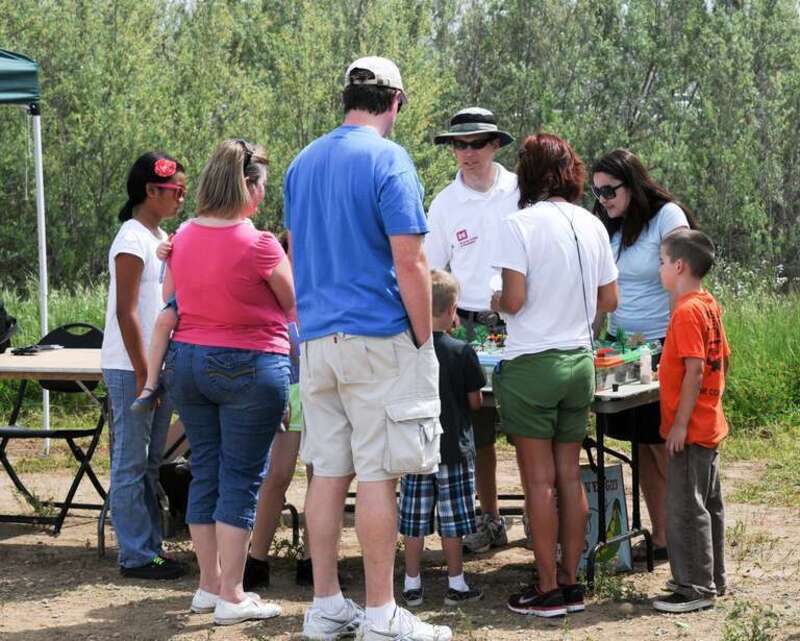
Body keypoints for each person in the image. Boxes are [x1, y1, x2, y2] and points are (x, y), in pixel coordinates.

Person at [285, 56, 452, 641]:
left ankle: (326, 604)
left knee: (327, 473)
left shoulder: (301, 162)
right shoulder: (389, 159)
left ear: (347, 97)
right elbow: (411, 259)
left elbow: (297, 251)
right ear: (396, 101)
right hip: (378, 336)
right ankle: (382, 613)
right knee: (380, 475)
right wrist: (423, 335)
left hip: (318, 340)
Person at [162, 139, 293, 625]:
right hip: (249, 363)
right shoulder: (259, 243)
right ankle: (233, 595)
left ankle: (208, 584)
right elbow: (293, 301)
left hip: (189, 361)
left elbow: (169, 298)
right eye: (261, 186)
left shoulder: (182, 237)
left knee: (207, 472)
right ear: (249, 186)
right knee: (241, 479)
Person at [490, 133, 619, 617]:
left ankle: (545, 589)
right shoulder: (592, 223)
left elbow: (516, 301)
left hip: (533, 364)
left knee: (538, 484)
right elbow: (609, 301)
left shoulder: (517, 224)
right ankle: (571, 581)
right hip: (579, 362)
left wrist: (496, 301)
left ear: (528, 173)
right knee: (569, 477)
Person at [591, 149, 697, 560]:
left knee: (665, 447)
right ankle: (661, 537)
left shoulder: (667, 217)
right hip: (620, 354)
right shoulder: (608, 225)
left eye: (610, 190)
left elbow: (681, 283)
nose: (603, 199)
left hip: (662, 349)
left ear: (632, 184)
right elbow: (605, 290)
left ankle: (685, 536)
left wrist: (675, 348)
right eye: (596, 192)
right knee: (641, 447)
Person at [425, 107, 518, 554]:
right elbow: (431, 269)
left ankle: (546, 517)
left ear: (495, 144)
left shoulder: (521, 190)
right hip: (469, 324)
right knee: (474, 428)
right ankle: (491, 518)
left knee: (531, 426)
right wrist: (444, 317)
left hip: (522, 319)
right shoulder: (444, 203)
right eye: (459, 144)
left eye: (476, 143)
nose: (466, 152)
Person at [100, 152, 187, 580]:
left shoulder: (157, 235)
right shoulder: (131, 239)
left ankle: (150, 547)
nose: (180, 198)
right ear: (150, 191)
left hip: (155, 365)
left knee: (152, 463)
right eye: (175, 191)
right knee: (131, 463)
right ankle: (135, 554)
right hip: (131, 367)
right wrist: (142, 373)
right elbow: (126, 311)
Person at [652, 229, 729, 613]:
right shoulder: (708, 304)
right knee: (708, 503)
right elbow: (722, 361)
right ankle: (713, 576)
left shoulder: (685, 311)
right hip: (709, 423)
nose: (660, 269)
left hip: (692, 429)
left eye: (662, 262)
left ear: (679, 266)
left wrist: (680, 424)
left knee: (685, 507)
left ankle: (695, 587)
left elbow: (695, 370)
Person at [399, 270, 485, 609]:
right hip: (453, 450)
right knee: (453, 522)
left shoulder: (409, 348)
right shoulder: (462, 351)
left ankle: (412, 583)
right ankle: (456, 582)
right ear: (453, 311)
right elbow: (475, 401)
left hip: (416, 447)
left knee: (414, 520)